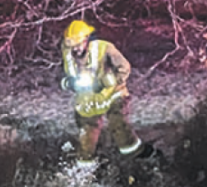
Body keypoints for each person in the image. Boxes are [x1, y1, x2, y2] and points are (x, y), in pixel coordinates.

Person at [59, 20, 144, 160]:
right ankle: (85, 171)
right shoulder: (67, 54)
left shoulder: (104, 48)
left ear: (87, 39)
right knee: (86, 139)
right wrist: (69, 83)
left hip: (112, 95)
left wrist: (105, 82)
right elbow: (63, 76)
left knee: (119, 127)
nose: (75, 49)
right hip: (87, 101)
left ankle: (137, 159)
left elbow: (124, 68)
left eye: (78, 45)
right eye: (72, 46)